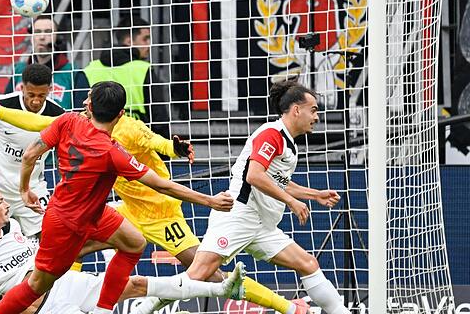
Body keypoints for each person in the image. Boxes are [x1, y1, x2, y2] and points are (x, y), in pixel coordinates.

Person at [0, 89, 309, 313]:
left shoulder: (76, 123)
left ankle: (104, 307)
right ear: (121, 113)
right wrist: (210, 201)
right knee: (40, 282)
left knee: (142, 246)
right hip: (84, 216)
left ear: (90, 104)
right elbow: (162, 181)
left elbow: (159, 146)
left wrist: (176, 148)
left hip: (141, 213)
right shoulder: (110, 149)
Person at [134, 79, 346, 314]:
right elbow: (254, 176)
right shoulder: (272, 134)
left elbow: (278, 181)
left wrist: (314, 194)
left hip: (262, 225)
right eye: (313, 110)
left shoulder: (288, 143)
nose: (316, 117)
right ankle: (145, 306)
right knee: (198, 275)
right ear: (296, 110)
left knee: (308, 264)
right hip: (238, 214)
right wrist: (291, 201)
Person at [0, 184, 245, 314]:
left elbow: (52, 256)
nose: (7, 205)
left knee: (133, 285)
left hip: (63, 282)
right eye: (0, 201)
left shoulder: (14, 228)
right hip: (40, 305)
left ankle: (219, 286)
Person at [0, 63, 65, 238]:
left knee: (50, 239)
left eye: (41, 95)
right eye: (31, 95)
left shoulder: (58, 115)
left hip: (32, 189)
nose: (36, 101)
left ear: (50, 89)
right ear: (22, 88)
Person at [78, 16, 170, 137]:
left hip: (98, 148)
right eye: (145, 39)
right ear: (129, 41)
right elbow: (160, 119)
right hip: (137, 147)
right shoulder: (143, 69)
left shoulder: (90, 70)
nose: (149, 44)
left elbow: (79, 116)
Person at [5, 16, 76, 109]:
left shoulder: (73, 73)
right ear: (31, 38)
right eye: (37, 32)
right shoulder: (18, 70)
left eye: (48, 32)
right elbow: (6, 106)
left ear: (58, 38)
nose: (42, 37)